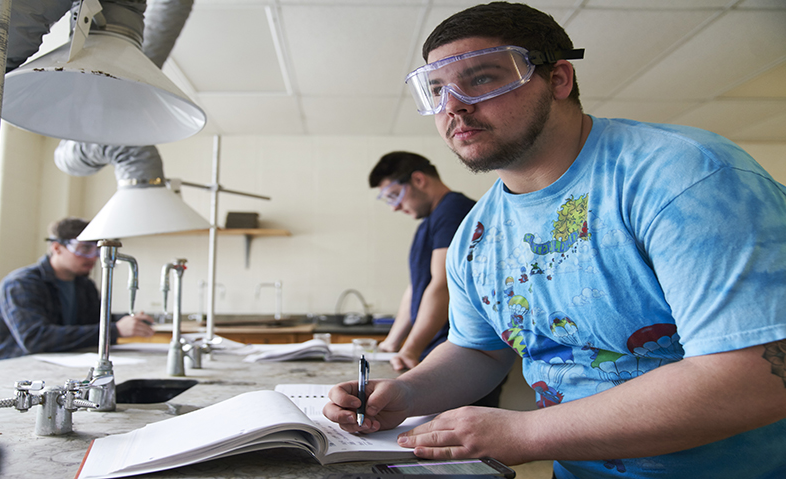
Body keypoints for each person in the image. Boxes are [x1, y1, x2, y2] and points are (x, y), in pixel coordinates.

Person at [323, 2, 786, 478]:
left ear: (558, 79)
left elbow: (757, 378)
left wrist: (524, 433)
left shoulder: (684, 177)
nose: (454, 105)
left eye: (481, 78)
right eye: (437, 89)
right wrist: (406, 393)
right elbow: (479, 350)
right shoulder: (476, 235)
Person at [0, 217, 155, 361]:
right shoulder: (21, 284)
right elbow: (36, 339)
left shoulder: (84, 285)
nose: (93, 257)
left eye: (97, 250)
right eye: (85, 248)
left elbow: (93, 322)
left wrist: (130, 320)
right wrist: (115, 329)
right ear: (57, 248)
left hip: (54, 367)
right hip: (9, 370)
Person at [370, 152, 476, 371]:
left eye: (394, 195)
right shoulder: (431, 221)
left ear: (418, 180)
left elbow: (443, 284)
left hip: (458, 352)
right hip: (437, 349)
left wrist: (411, 349)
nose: (394, 207)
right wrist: (392, 342)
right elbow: (417, 287)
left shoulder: (454, 211)